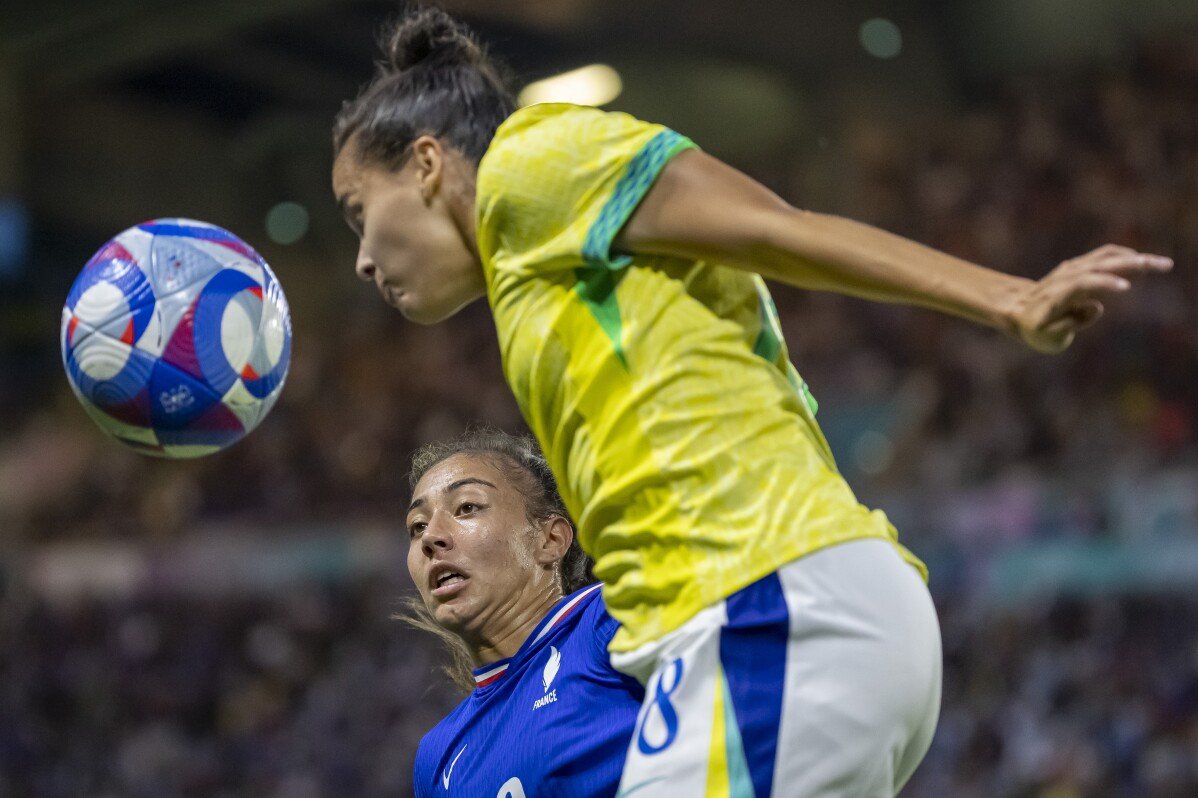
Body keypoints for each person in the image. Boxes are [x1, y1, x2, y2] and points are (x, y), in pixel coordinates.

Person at [331, 7, 1173, 796]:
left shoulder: (530, 163)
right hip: (773, 628)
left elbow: (778, 227)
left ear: (429, 163)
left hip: (766, 610)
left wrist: (1008, 300)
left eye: (358, 213)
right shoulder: (541, 280)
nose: (364, 258)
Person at [404, 429, 645, 797]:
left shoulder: (611, 617)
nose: (430, 537)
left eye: (467, 507)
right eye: (417, 526)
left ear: (550, 540)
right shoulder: (438, 758)